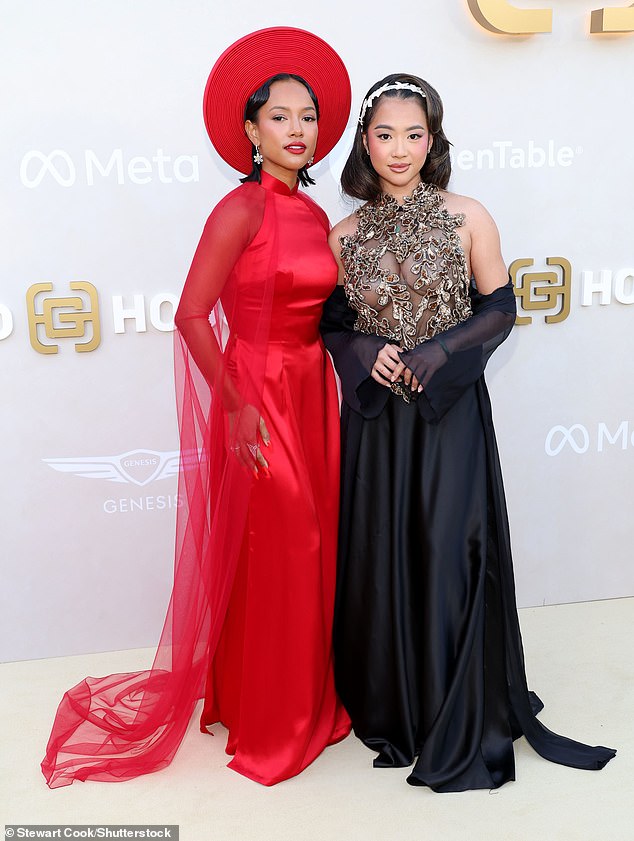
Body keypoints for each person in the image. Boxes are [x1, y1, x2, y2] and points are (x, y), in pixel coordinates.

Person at [42, 27, 351, 789]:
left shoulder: (316, 217)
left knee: (310, 551)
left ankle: (286, 700)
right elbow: (190, 313)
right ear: (250, 131)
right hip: (258, 392)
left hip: (312, 392)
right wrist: (237, 404)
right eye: (280, 117)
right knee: (291, 544)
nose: (296, 130)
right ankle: (272, 725)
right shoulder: (238, 210)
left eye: (307, 116)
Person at [321, 73, 616, 792]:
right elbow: (332, 324)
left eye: (413, 135)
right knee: (384, 556)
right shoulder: (344, 232)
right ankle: (398, 701)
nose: (399, 149)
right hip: (377, 426)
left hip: (448, 412)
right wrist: (368, 352)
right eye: (385, 134)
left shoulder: (467, 215)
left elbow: (500, 307)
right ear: (365, 139)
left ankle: (455, 702)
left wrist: (439, 350)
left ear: (434, 139)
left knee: (452, 549)